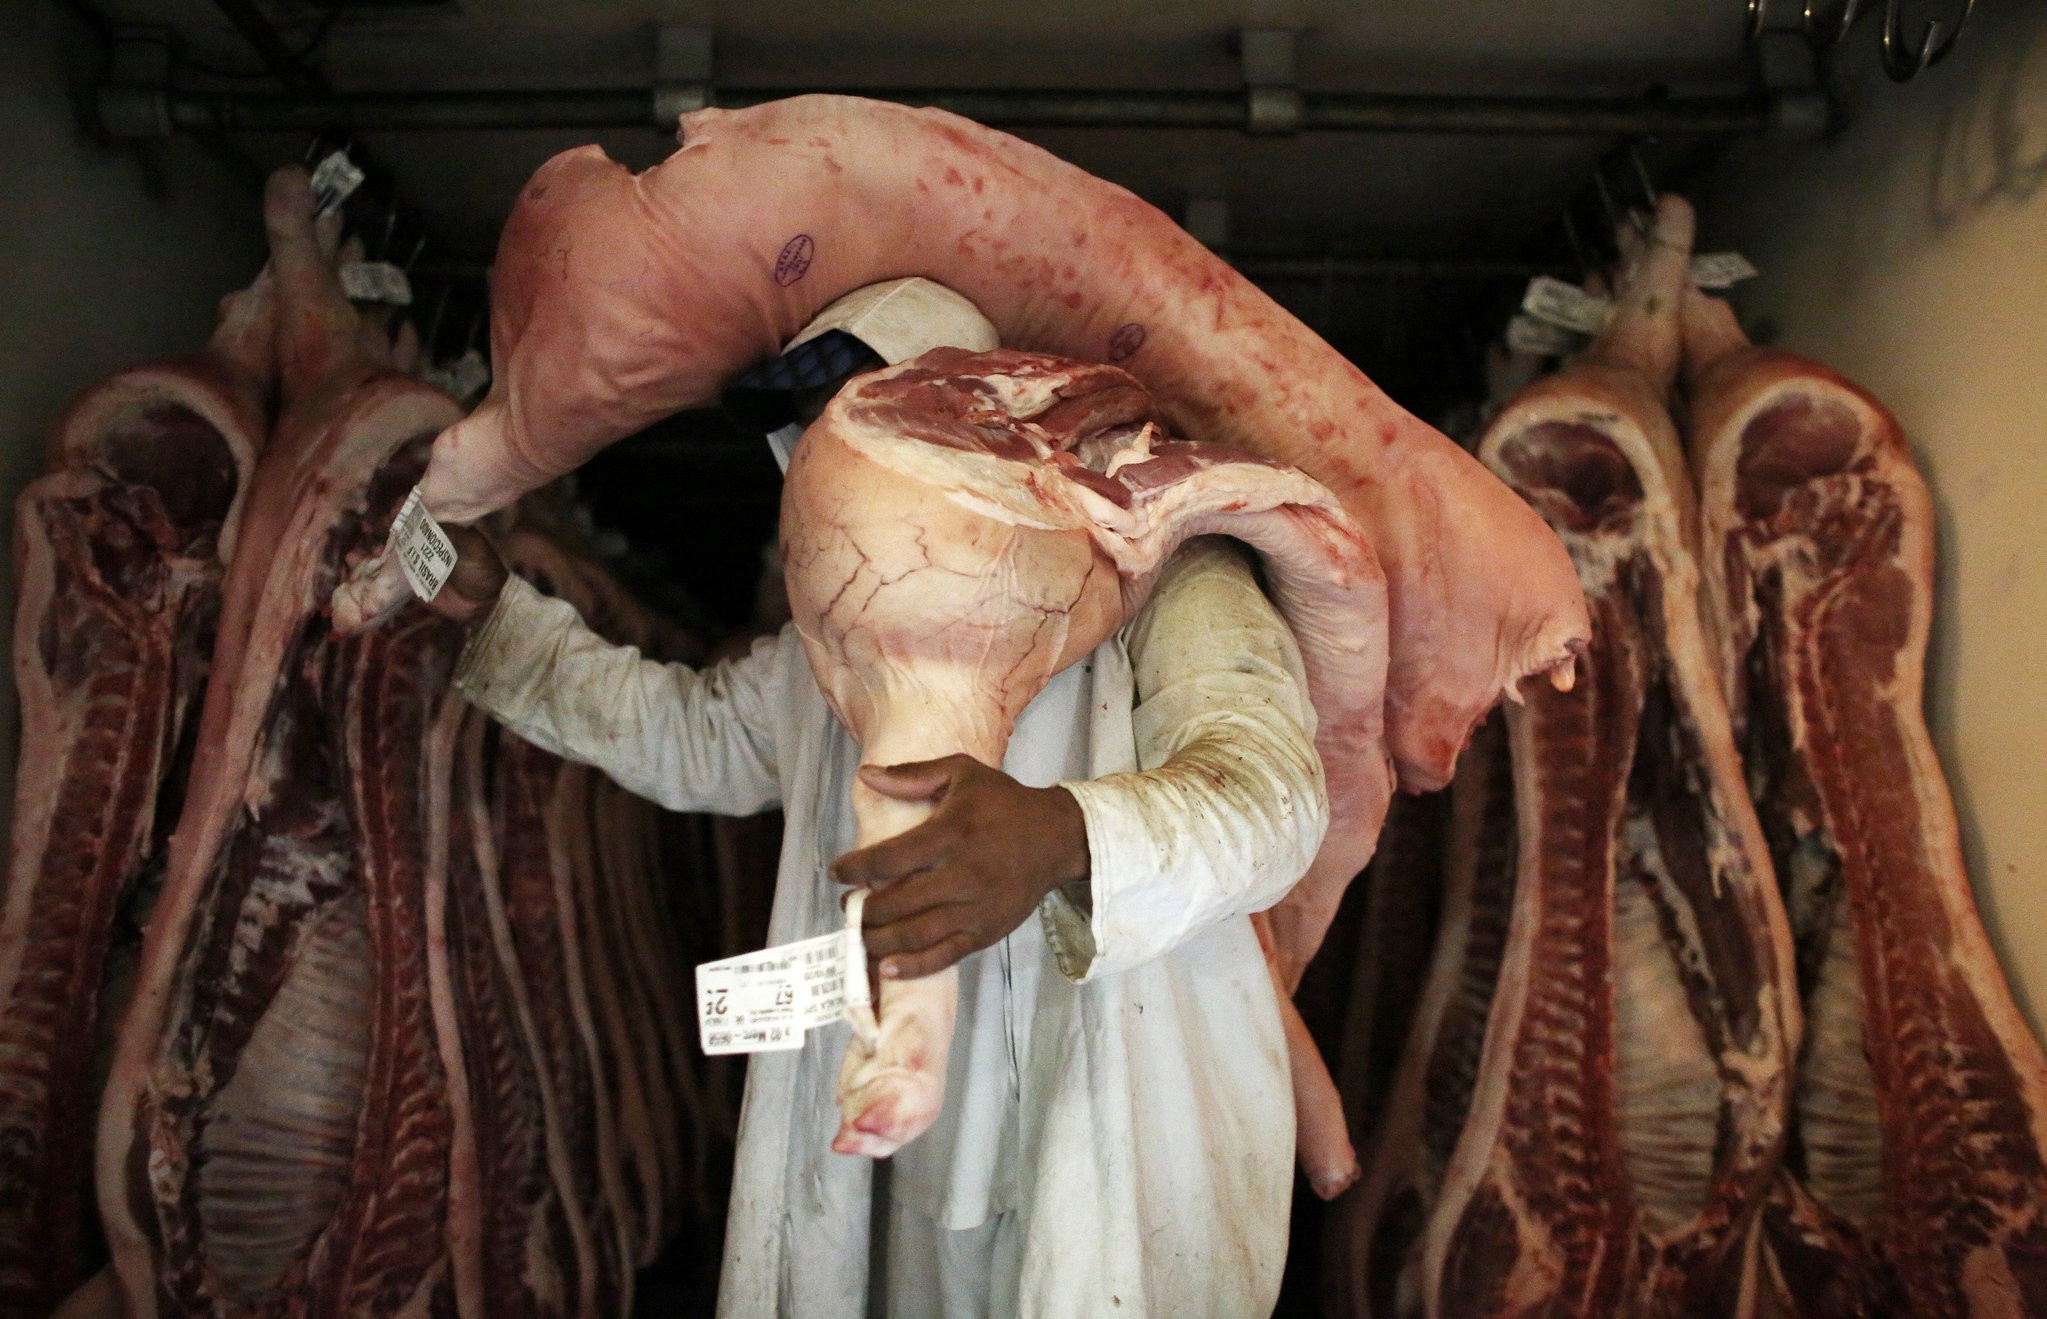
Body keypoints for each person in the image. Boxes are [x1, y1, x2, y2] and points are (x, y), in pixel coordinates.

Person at [427, 278, 1328, 1318]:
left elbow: (1269, 792)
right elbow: (691, 734)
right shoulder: (827, 654)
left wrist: (1064, 834)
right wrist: (497, 617)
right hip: (902, 1160)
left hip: (1109, 1112)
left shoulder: (1168, 585)